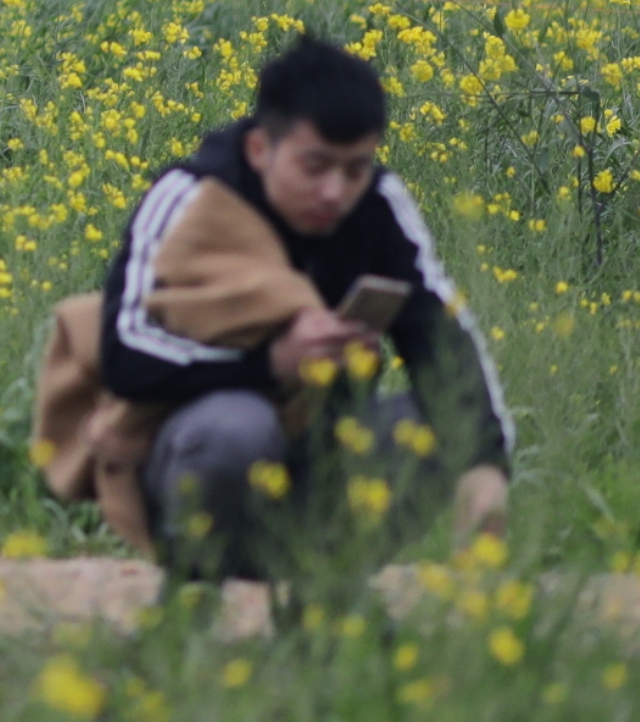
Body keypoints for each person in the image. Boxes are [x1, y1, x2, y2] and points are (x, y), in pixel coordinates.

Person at [34, 33, 511, 589]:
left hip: (326, 455)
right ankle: (191, 597)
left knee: (438, 422)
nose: (335, 191)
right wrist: (271, 364)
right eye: (315, 166)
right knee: (236, 427)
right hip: (191, 458)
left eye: (355, 169)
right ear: (262, 149)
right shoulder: (190, 197)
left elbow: (442, 339)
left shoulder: (379, 205)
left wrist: (483, 469)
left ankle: (328, 599)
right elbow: (124, 357)